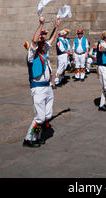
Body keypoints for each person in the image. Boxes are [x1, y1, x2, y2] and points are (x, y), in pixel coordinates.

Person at [23, 15, 61, 148]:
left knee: (47, 115)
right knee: (39, 117)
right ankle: (29, 139)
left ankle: (36, 136)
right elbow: (34, 41)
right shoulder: (32, 55)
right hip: (38, 88)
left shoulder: (44, 52)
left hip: (47, 87)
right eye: (41, 41)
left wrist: (56, 27)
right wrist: (41, 24)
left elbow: (51, 39)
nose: (44, 43)